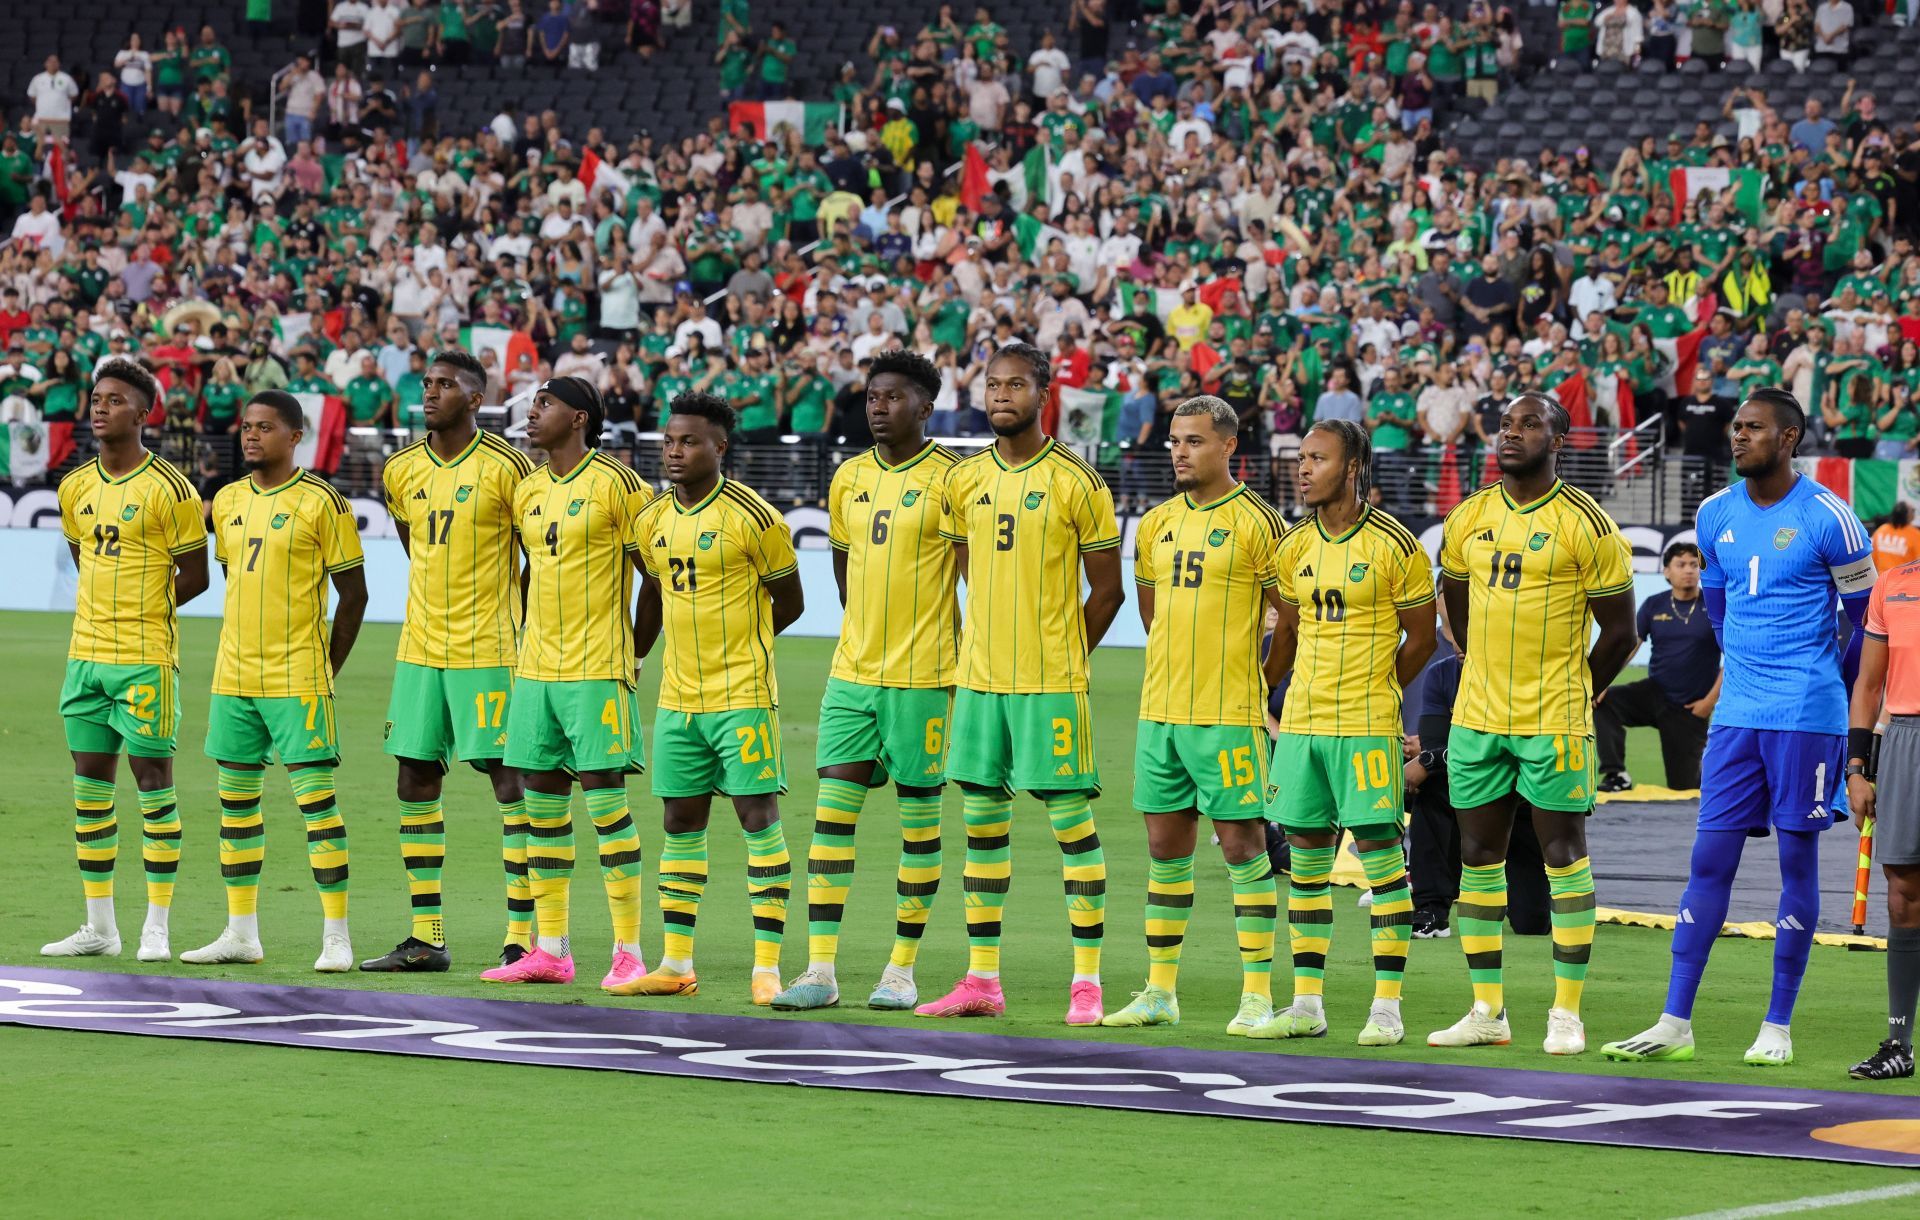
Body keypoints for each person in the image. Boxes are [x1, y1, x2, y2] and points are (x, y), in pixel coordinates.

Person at [1605, 388, 1875, 1068]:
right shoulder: (1713, 514)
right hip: (1737, 719)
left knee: (1797, 861)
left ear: (1788, 439)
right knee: (1709, 860)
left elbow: (1868, 625)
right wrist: (1748, 674)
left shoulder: (1830, 518)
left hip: (1806, 719)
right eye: (1735, 427)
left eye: (1752, 428)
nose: (1737, 437)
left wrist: (1825, 690)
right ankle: (1674, 1020)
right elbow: (1722, 615)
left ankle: (1777, 1024)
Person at [915, 342, 1125, 1025]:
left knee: (1071, 825)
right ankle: (981, 979)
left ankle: (1087, 983)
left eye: (1016, 386)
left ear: (1044, 395)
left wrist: (1064, 655)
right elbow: (968, 567)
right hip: (978, 684)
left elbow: (1109, 591)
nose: (1002, 395)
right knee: (981, 826)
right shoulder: (963, 479)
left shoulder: (1078, 481)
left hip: (1050, 684)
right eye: (992, 385)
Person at [1430, 392, 1637, 1055]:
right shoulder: (1470, 517)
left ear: (1560, 438)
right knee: (1478, 857)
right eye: (1505, 424)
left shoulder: (1588, 523)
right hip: (1479, 718)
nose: (1510, 434)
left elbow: (1622, 632)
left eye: (1529, 425)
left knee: (1562, 856)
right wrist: (1479, 664)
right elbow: (1454, 603)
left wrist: (1581, 691)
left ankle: (1566, 1014)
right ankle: (1487, 1011)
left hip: (1554, 720)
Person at [772, 351, 958, 1012]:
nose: (878, 407)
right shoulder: (847, 478)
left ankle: (901, 971)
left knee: (919, 827)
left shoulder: (952, 480)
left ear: (925, 406)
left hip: (925, 678)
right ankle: (820, 970)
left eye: (893, 397)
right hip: (851, 676)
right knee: (830, 822)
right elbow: (846, 575)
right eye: (872, 396)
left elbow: (972, 580)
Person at [1098, 396, 1288, 1036]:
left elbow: (1285, 620)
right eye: (1175, 440)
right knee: (1163, 851)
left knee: (1242, 847)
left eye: (1195, 441)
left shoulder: (1260, 523)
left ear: (1229, 446)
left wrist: (1256, 684)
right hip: (1161, 713)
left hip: (1227, 714)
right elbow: (1151, 616)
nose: (1180, 451)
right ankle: (1159, 990)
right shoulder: (1153, 524)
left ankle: (1258, 994)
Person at [1252, 419, 1437, 1047]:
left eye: (1317, 459)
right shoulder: (1293, 545)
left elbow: (1423, 638)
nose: (1303, 469)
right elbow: (1288, 631)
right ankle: (1307, 1003)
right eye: (1300, 458)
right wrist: (1263, 686)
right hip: (1300, 726)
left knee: (1382, 862)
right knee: (1306, 865)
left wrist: (1377, 686)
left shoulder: (1397, 544)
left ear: (1351, 468)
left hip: (1363, 725)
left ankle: (1387, 1007)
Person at [616, 391, 804, 1005]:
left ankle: (768, 966)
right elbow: (655, 589)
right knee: (679, 823)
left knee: (757, 820)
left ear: (719, 448)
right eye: (668, 441)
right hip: (677, 699)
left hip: (743, 696)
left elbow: (791, 600)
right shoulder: (651, 519)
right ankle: (675, 963)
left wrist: (742, 647)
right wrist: (641, 656)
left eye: (689, 441)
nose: (674, 451)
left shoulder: (756, 516)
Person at [359, 350, 536, 973]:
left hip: (488, 648)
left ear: (477, 398)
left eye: (446, 385)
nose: (431, 394)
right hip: (419, 648)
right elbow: (415, 545)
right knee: (413, 776)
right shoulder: (401, 469)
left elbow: (535, 556)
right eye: (427, 384)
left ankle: (522, 933)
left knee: (506, 777)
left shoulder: (511, 468)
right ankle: (426, 935)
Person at [182, 391, 369, 971]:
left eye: (265, 427)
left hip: (297, 677)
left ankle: (336, 936)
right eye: (246, 425)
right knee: (235, 805)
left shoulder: (324, 502)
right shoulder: (229, 501)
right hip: (233, 674)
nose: (251, 436)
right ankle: (241, 933)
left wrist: (325, 669)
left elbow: (355, 594)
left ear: (295, 436)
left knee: (318, 805)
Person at [480, 377, 652, 990]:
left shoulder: (620, 484)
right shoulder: (527, 489)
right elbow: (529, 571)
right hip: (535, 672)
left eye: (545, 405)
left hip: (597, 669)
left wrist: (632, 657)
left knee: (607, 804)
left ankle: (628, 951)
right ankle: (550, 949)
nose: (532, 413)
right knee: (540, 807)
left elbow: (652, 576)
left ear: (579, 418)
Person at [41, 361, 209, 963]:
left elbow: (195, 576)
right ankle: (100, 927)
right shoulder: (74, 486)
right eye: (95, 398)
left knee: (153, 787)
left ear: (144, 414)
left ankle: (157, 924)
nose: (100, 407)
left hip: (145, 660)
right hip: (85, 658)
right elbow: (81, 556)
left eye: (115, 400)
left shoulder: (172, 488)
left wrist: (140, 608)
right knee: (90, 789)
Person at [1844, 553, 1920, 1081]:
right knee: (1903, 892)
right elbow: (1869, 686)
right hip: (1905, 742)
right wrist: (1856, 767)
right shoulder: (1893, 584)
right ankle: (1898, 1045)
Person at [1596, 542, 1722, 793]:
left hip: (1689, 706)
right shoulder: (1654, 604)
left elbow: (1734, 658)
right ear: (1666, 572)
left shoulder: (1716, 604)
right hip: (1654, 693)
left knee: (1684, 789)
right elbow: (1630, 646)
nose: (1689, 570)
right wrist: (1603, 682)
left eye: (1694, 565)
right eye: (1681, 564)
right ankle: (1616, 774)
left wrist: (1708, 703)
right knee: (1603, 701)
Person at [1872, 502, 1920, 574]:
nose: (1914, 513)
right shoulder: (1915, 534)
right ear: (1907, 515)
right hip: (1903, 581)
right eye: (1913, 510)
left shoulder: (1881, 530)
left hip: (1882, 580)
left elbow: (1872, 558)